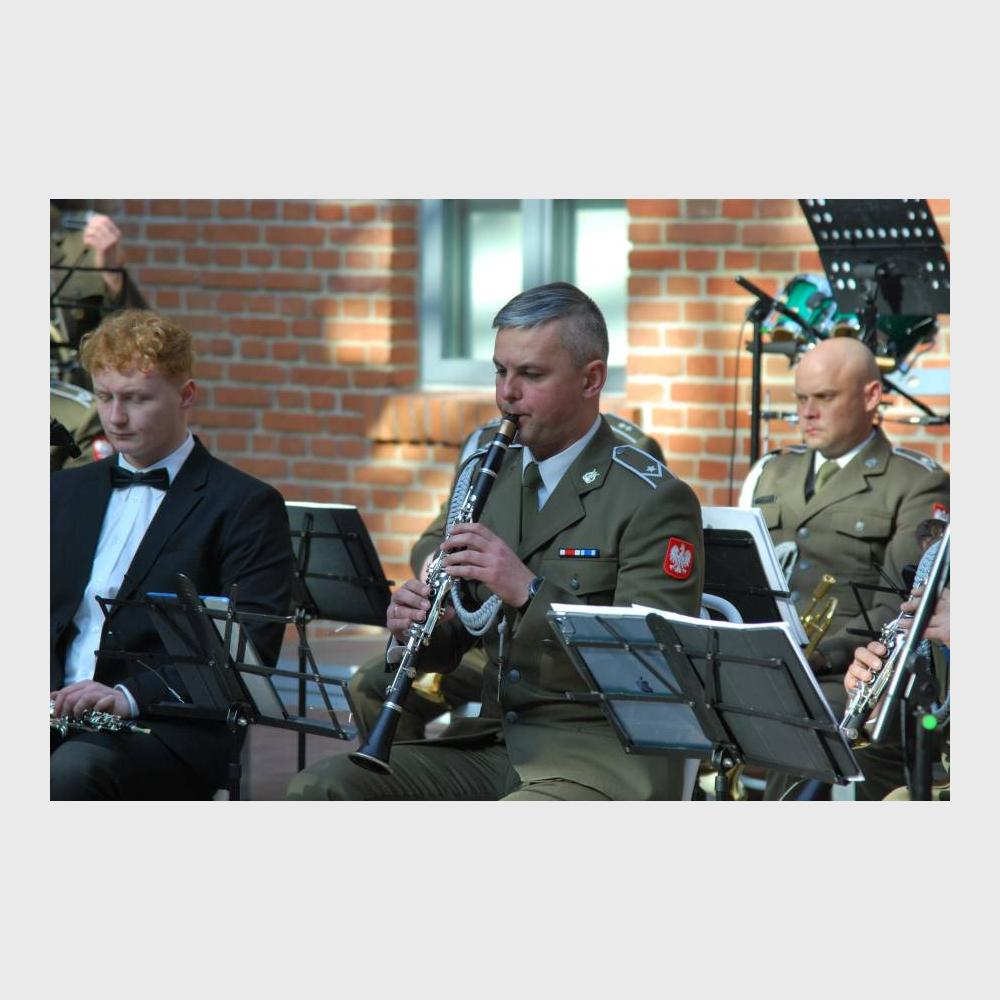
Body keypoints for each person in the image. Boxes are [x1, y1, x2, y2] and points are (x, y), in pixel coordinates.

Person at [289, 282, 704, 800]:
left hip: (598, 756)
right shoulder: (492, 472)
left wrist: (528, 591)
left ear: (591, 379)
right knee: (324, 788)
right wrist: (416, 626)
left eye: (531, 374)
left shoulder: (652, 499)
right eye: (500, 371)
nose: (508, 392)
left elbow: (651, 666)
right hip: (496, 742)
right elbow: (460, 640)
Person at [50, 309, 294, 799]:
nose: (115, 418)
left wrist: (127, 696)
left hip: (164, 726)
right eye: (104, 397)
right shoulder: (63, 490)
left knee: (64, 778)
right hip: (57, 710)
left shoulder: (245, 505)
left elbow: (249, 647)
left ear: (186, 396)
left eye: (136, 399)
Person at [345, 413, 668, 742]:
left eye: (533, 382)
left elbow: (642, 655)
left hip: (556, 666)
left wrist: (525, 587)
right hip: (482, 641)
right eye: (501, 381)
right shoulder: (490, 449)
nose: (510, 394)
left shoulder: (629, 454)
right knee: (370, 687)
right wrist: (441, 575)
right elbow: (437, 533)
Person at [740, 336, 950, 800]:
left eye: (824, 397)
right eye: (800, 399)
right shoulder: (771, 472)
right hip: (764, 659)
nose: (807, 413)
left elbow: (903, 607)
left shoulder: (915, 481)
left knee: (799, 721)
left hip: (848, 672)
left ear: (871, 396)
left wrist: (816, 655)